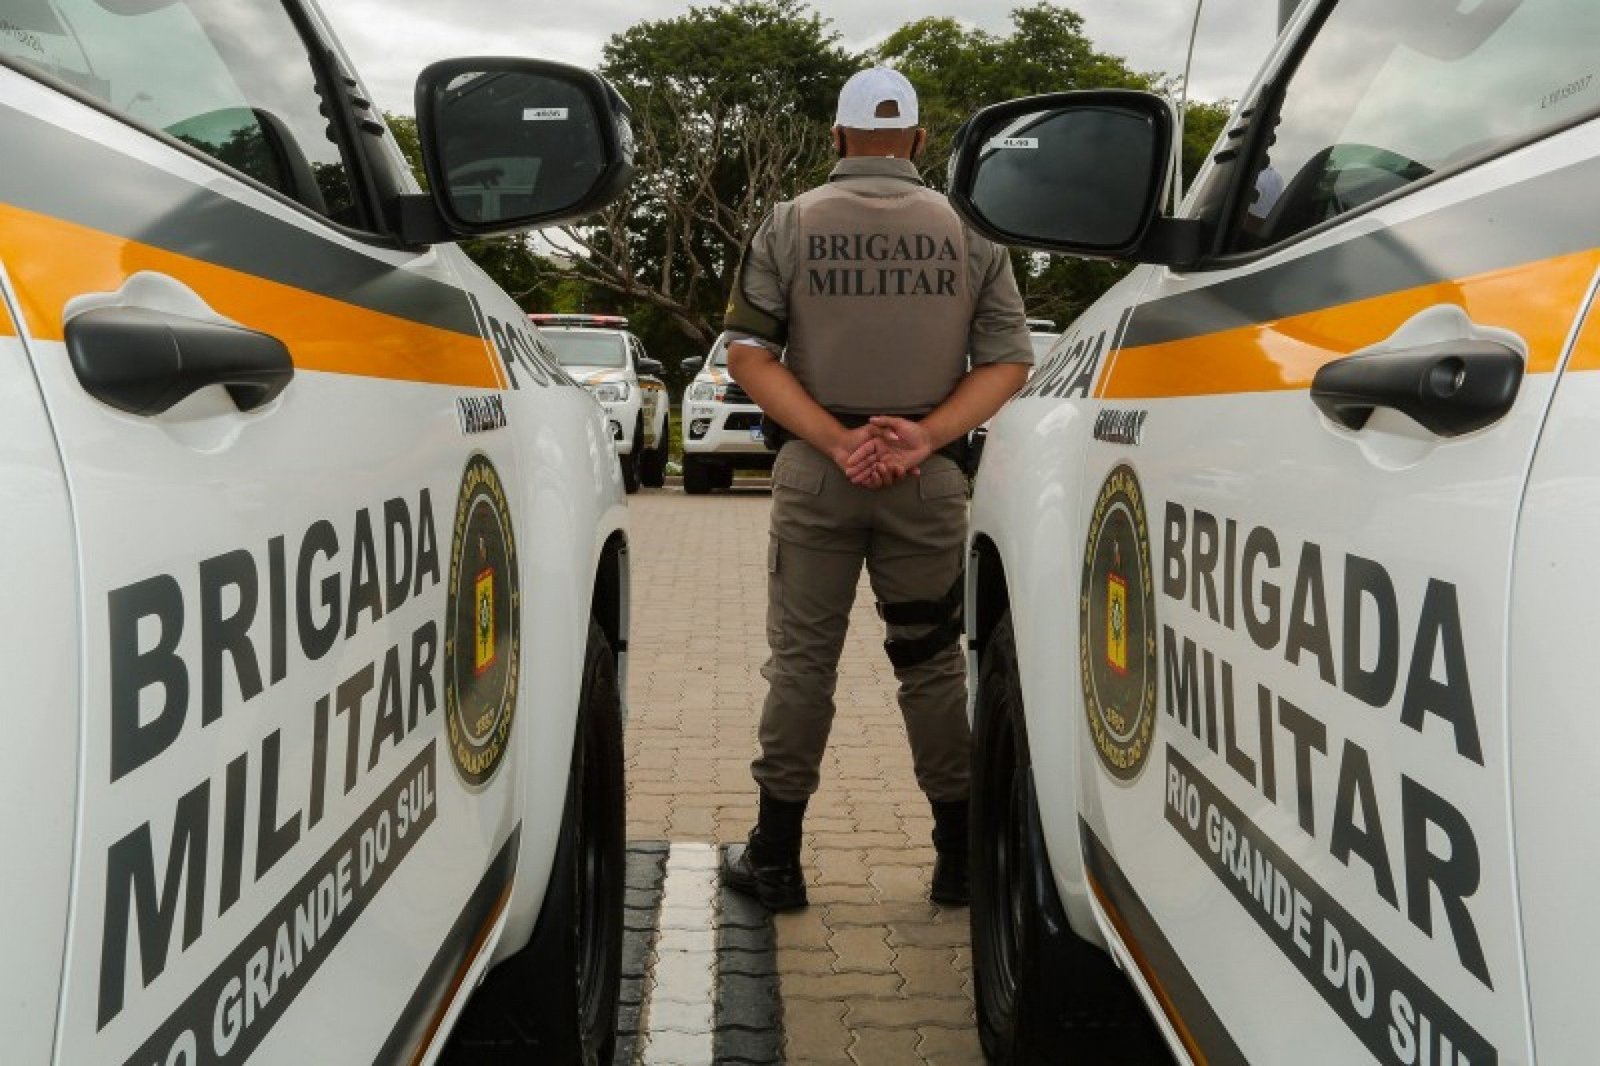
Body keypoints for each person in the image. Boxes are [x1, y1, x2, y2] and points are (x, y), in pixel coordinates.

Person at [717, 66, 1033, 911]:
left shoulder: (789, 222)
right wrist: (923, 436)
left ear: (837, 136)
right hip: (926, 479)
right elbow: (1008, 360)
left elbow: (748, 353)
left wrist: (837, 439)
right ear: (920, 140)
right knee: (932, 665)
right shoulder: (972, 230)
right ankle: (960, 859)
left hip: (819, 474)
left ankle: (776, 858)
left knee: (801, 665)